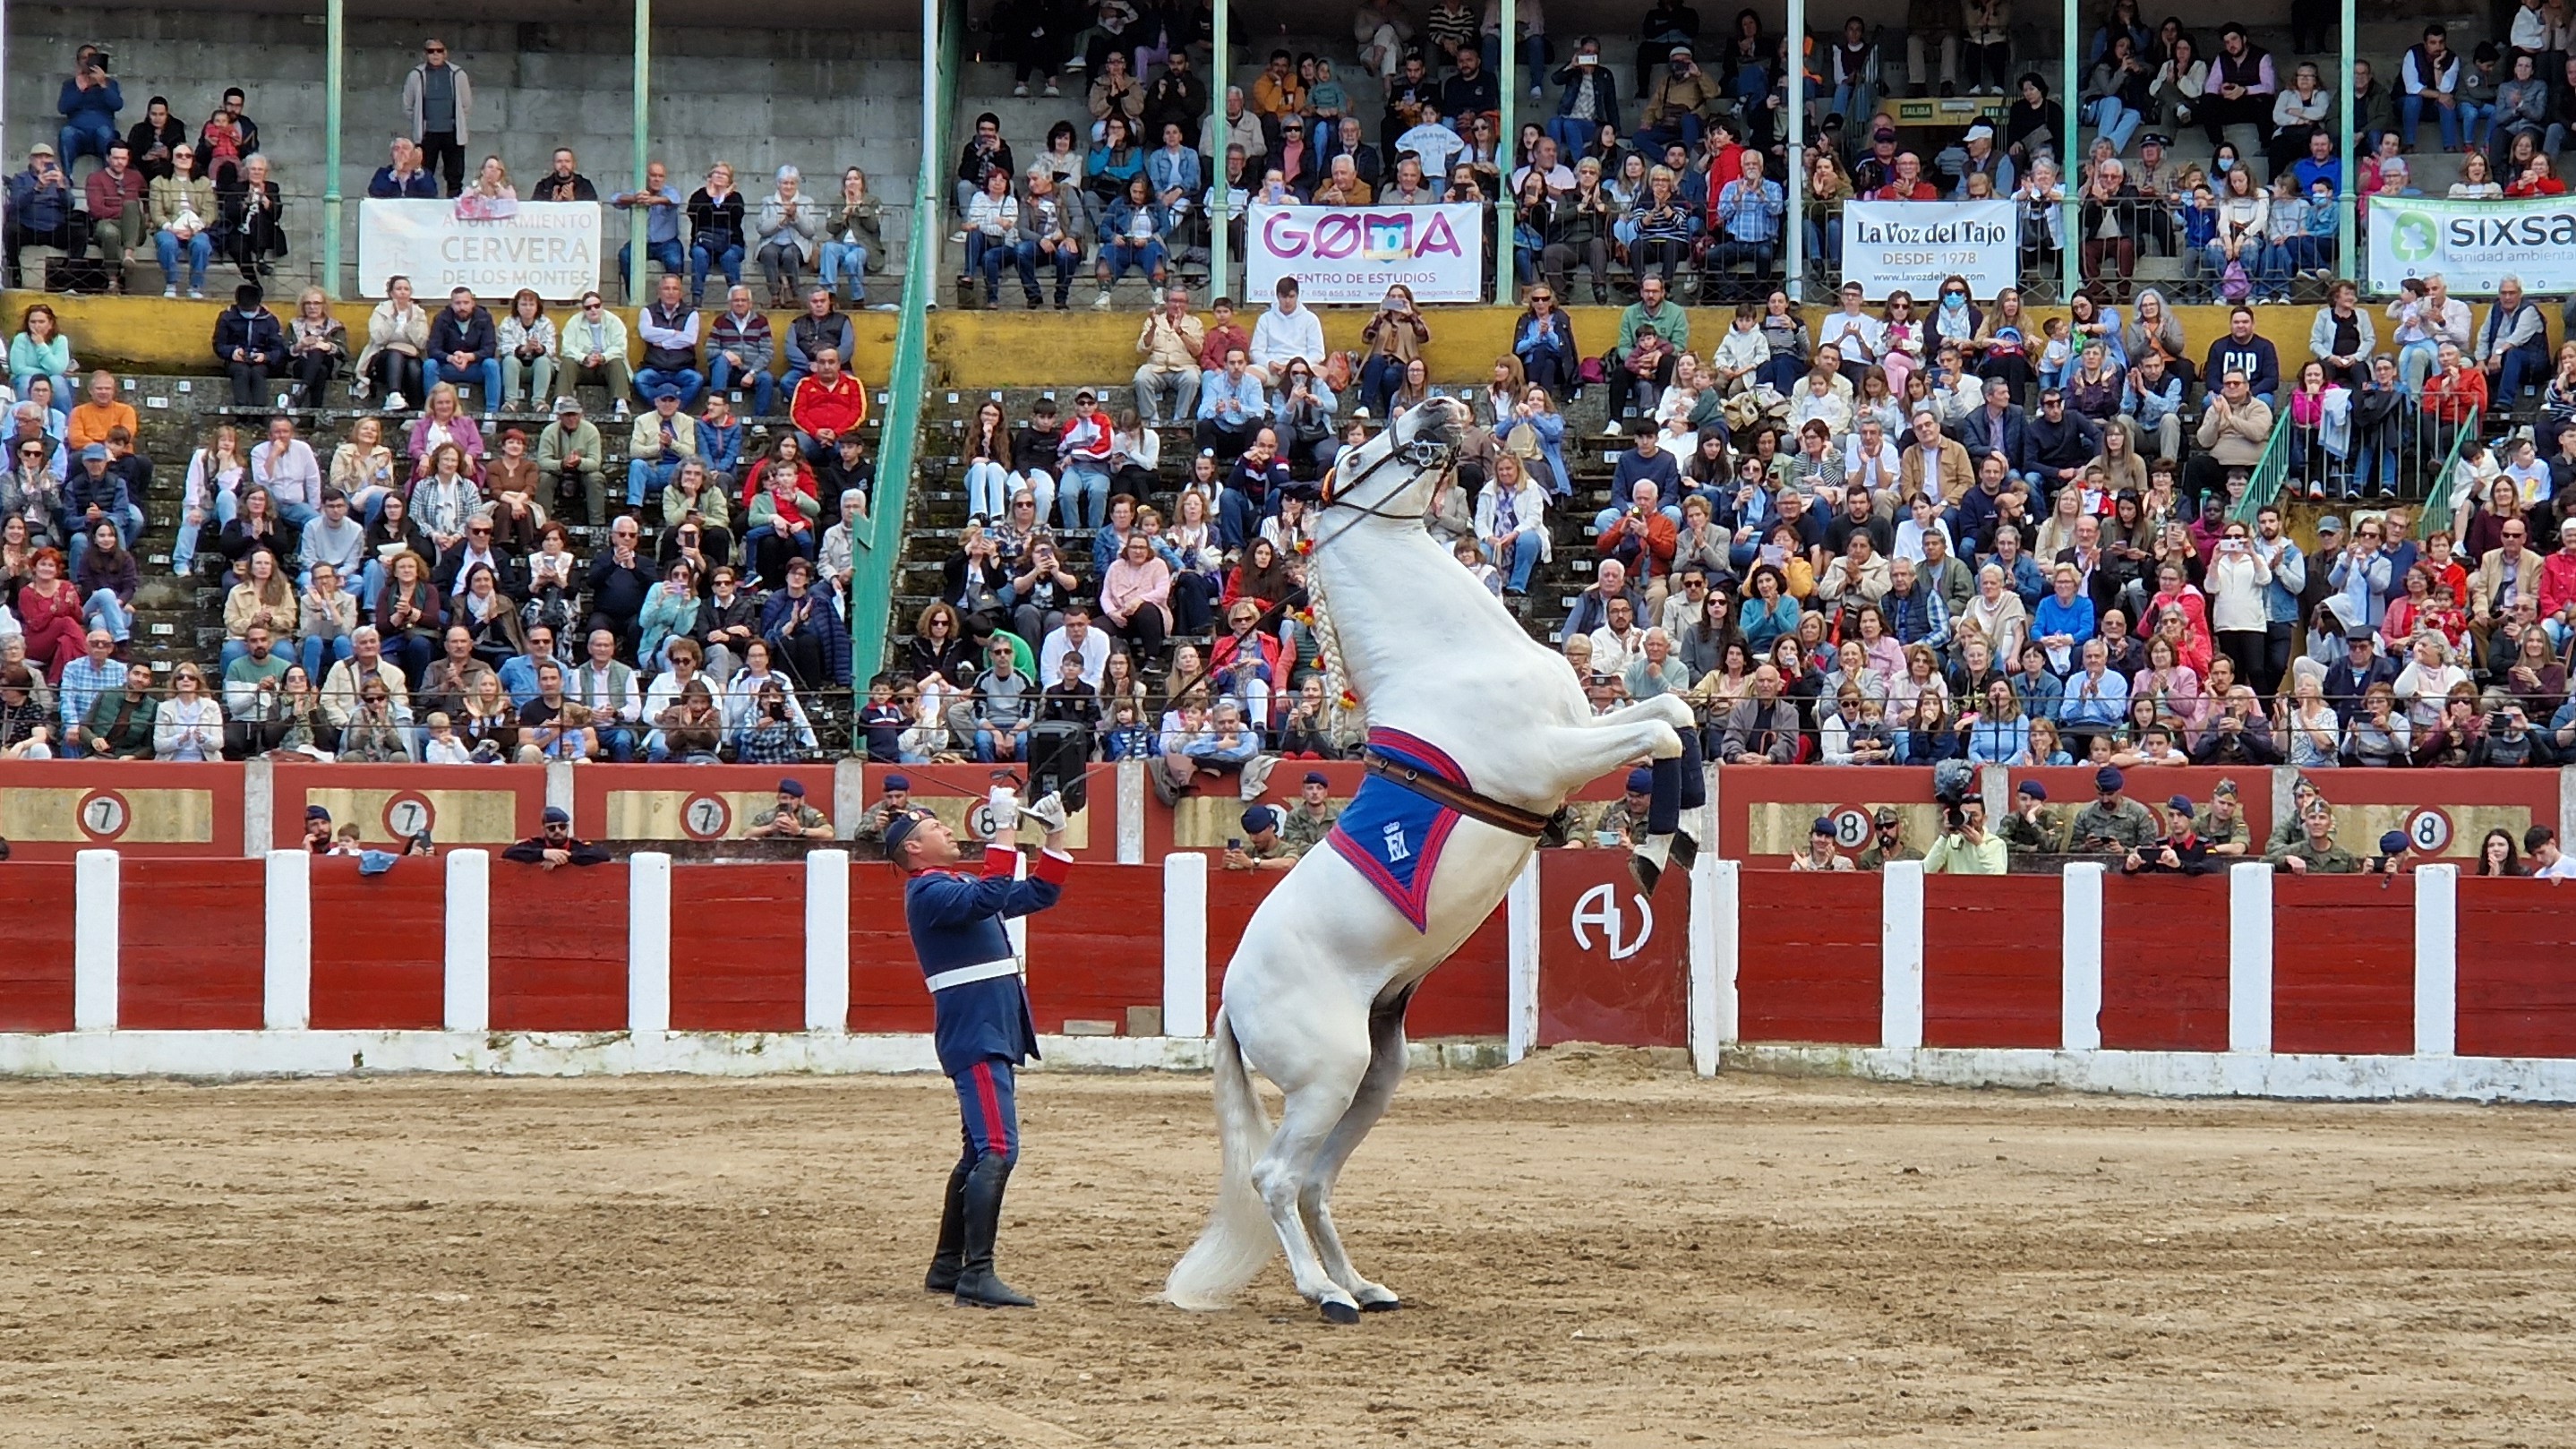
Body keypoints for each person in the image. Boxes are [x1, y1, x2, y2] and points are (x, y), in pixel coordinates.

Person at [882, 792, 1073, 1309]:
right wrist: (1004, 831)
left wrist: (1054, 836)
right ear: (913, 849)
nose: (947, 831)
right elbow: (992, 896)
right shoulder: (929, 891)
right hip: (978, 1029)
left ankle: (949, 1267)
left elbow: (1038, 894)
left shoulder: (950, 887)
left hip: (986, 1026)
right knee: (998, 1150)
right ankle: (976, 1273)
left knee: (979, 1150)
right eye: (935, 829)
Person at [402, 38, 474, 196]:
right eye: (431, 51)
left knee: (455, 175)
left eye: (439, 51)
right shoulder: (415, 75)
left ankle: (454, 204)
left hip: (452, 133)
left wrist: (457, 122)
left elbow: (466, 104)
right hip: (427, 134)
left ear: (445, 53)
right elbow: (407, 105)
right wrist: (420, 122)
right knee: (423, 174)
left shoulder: (458, 74)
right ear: (425, 54)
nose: (435, 54)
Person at [213, 284, 287, 408]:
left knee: (257, 372)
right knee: (241, 372)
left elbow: (278, 348)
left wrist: (266, 357)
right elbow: (219, 344)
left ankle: (259, 409)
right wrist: (233, 352)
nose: (247, 312)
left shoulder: (269, 320)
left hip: (262, 363)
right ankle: (241, 409)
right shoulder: (227, 317)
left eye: (251, 310)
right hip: (236, 362)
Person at [503, 805, 610, 869]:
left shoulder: (577, 846)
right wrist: (544, 854)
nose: (557, 831)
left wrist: (565, 857)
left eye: (562, 827)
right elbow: (508, 853)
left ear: (567, 828)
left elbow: (603, 855)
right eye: (551, 828)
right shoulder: (535, 844)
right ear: (544, 829)